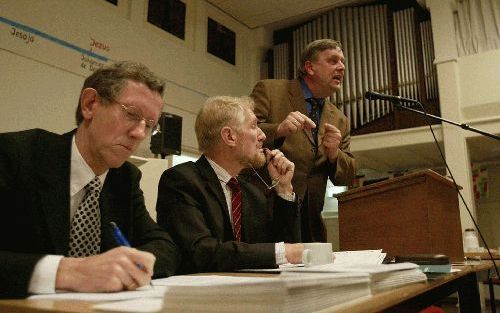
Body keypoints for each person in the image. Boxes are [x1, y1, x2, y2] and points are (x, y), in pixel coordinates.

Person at [0, 61, 180, 298]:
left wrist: (131, 267)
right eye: (132, 114)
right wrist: (70, 272)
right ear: (90, 104)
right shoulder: (16, 155)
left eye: (149, 125)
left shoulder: (125, 178)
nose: (139, 134)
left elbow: (164, 246)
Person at [156, 96, 304, 274]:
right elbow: (201, 252)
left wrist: (284, 189)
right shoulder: (181, 180)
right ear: (229, 136)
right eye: (253, 126)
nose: (263, 135)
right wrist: (283, 252)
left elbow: (285, 251)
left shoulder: (251, 193)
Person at [250, 39, 356, 243]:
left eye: (342, 62)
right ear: (310, 67)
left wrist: (335, 154)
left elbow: (348, 177)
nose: (341, 67)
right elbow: (244, 135)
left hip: (312, 222)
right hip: (269, 210)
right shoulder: (270, 90)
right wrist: (279, 129)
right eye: (333, 61)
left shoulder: (340, 119)